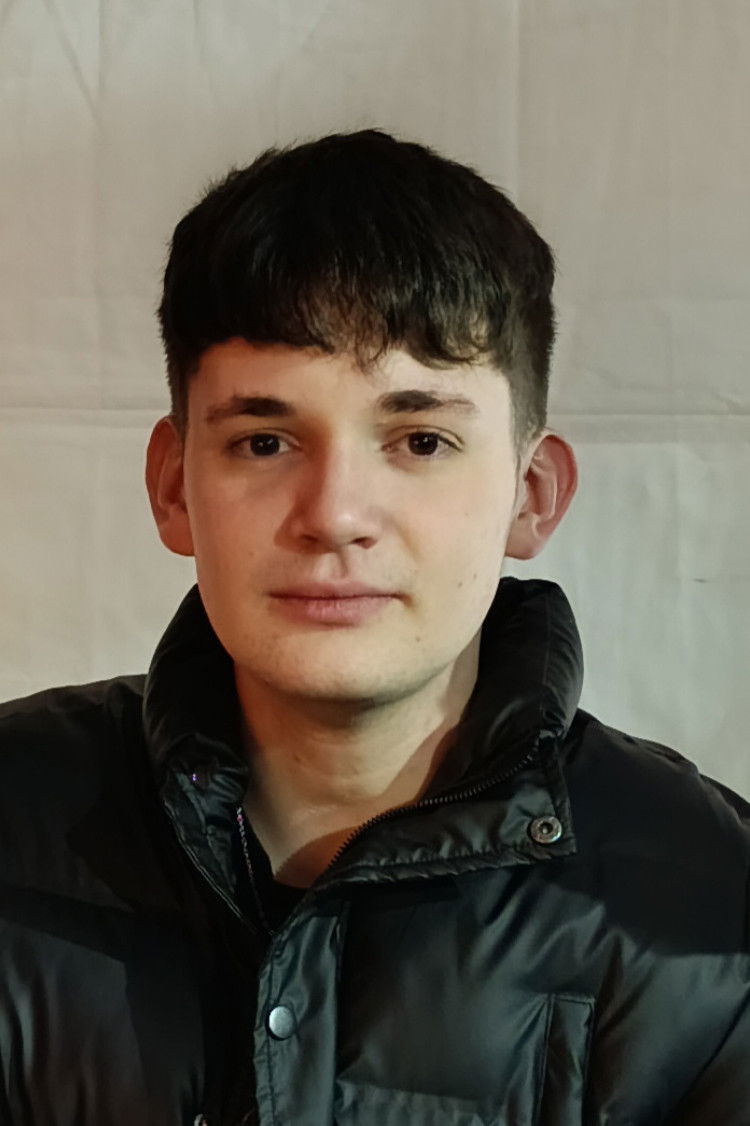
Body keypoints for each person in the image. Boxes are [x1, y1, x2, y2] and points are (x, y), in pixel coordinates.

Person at [0, 128, 748, 1126]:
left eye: (420, 441)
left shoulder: (712, 903)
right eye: (265, 441)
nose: (335, 512)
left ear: (530, 493)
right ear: (174, 486)